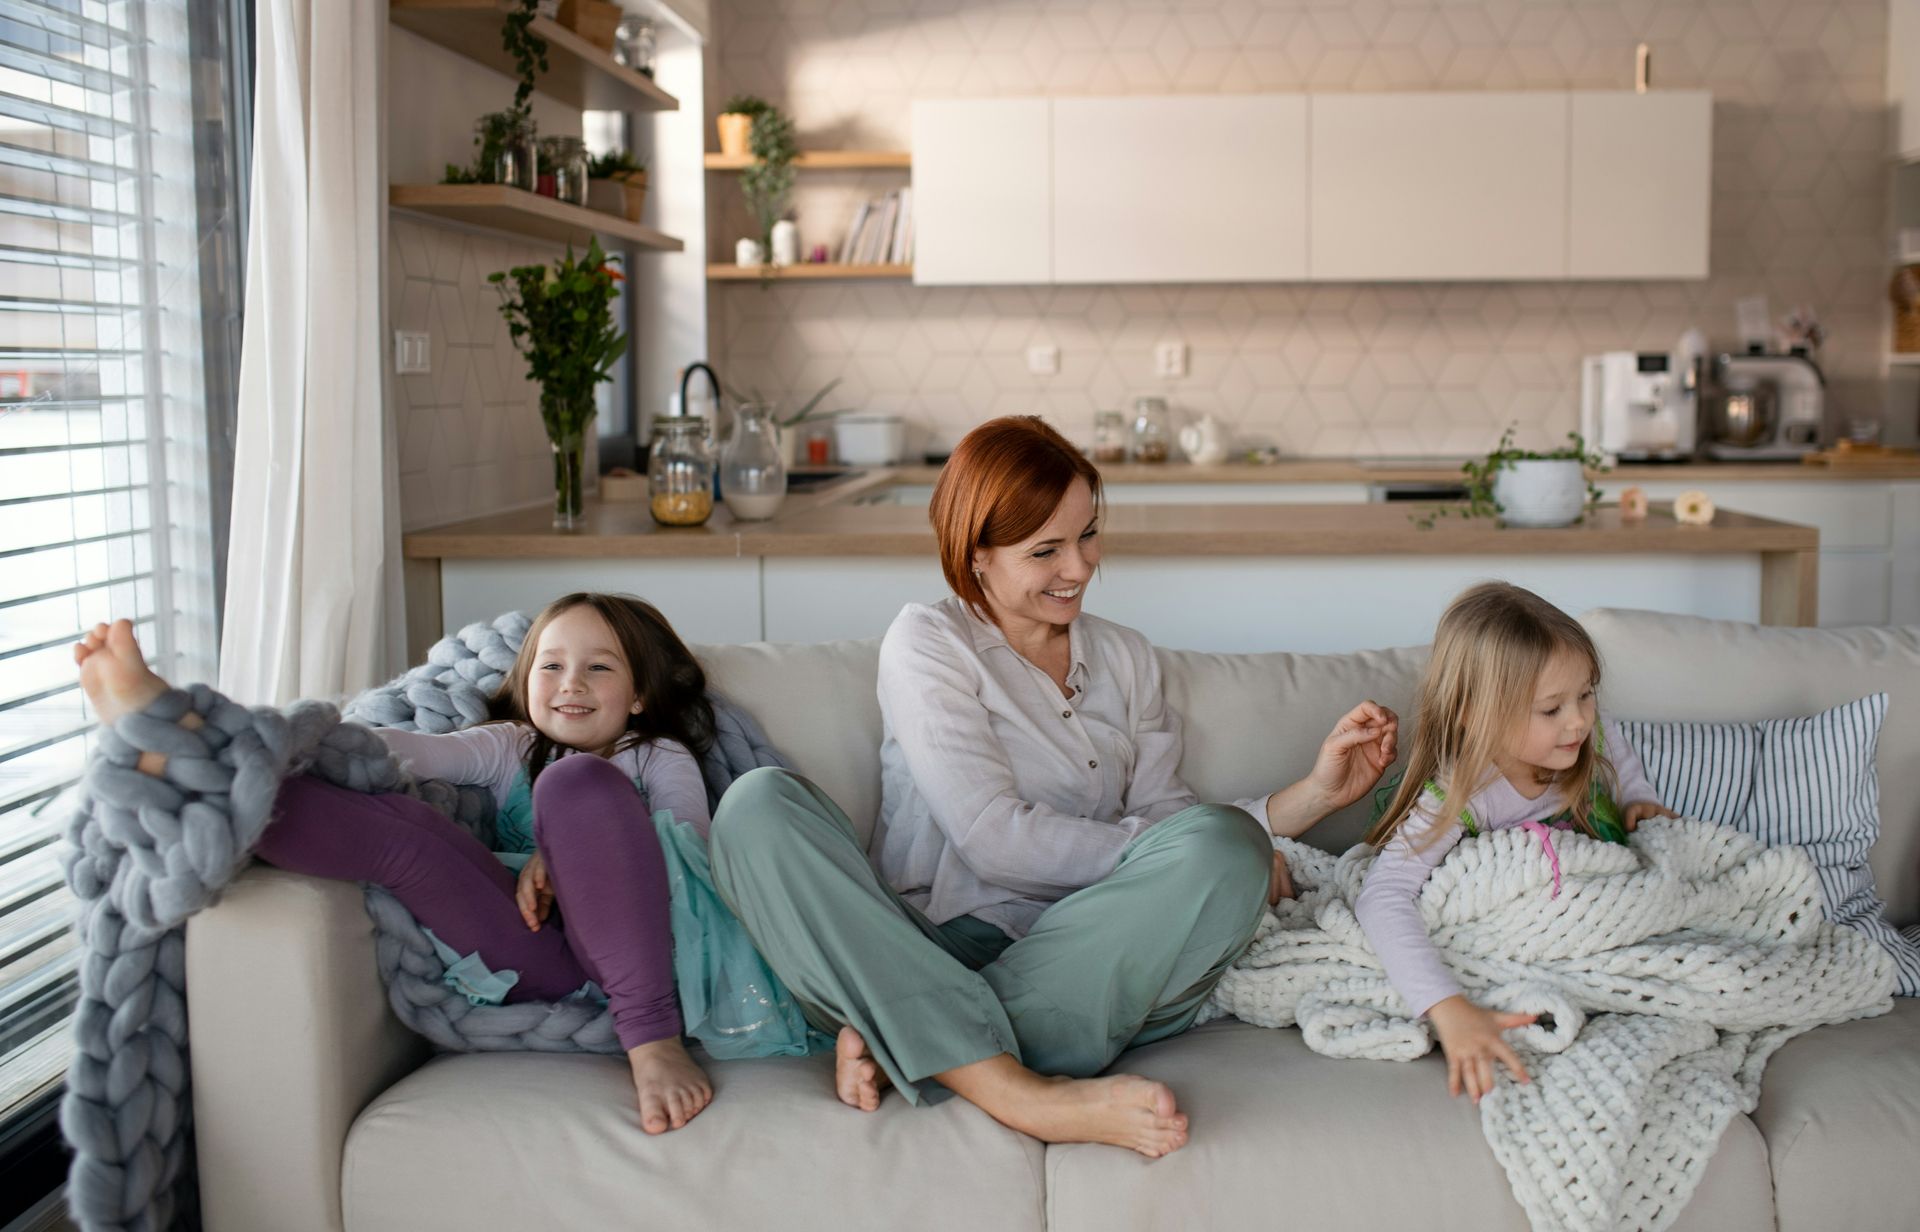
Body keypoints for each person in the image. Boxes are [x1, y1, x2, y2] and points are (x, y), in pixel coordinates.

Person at [708, 415, 1399, 1158]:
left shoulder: (1128, 658)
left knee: (1225, 849)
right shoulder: (929, 643)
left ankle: (909, 1037)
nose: (1079, 567)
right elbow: (994, 840)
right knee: (756, 806)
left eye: (1088, 536)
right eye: (1045, 551)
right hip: (928, 944)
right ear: (976, 557)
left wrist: (1318, 795)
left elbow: (1176, 826)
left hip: (1082, 952)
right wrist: (1157, 852)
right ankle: (1022, 1092)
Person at [74, 592, 768, 1136]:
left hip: (639, 959)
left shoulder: (657, 755)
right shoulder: (509, 746)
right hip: (533, 948)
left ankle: (653, 1042)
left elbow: (688, 863)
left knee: (576, 783)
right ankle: (194, 756)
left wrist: (565, 850)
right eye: (551, 665)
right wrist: (280, 740)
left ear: (640, 694)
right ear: (526, 681)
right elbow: (395, 750)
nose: (570, 683)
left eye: (600, 666)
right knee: (402, 830)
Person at [1354, 581, 1677, 1105]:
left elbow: (1623, 762)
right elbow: (1383, 895)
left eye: (1587, 693)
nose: (1579, 720)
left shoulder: (1589, 737)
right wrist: (1448, 1007)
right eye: (1551, 709)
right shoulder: (1462, 795)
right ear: (1476, 714)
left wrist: (1638, 800)